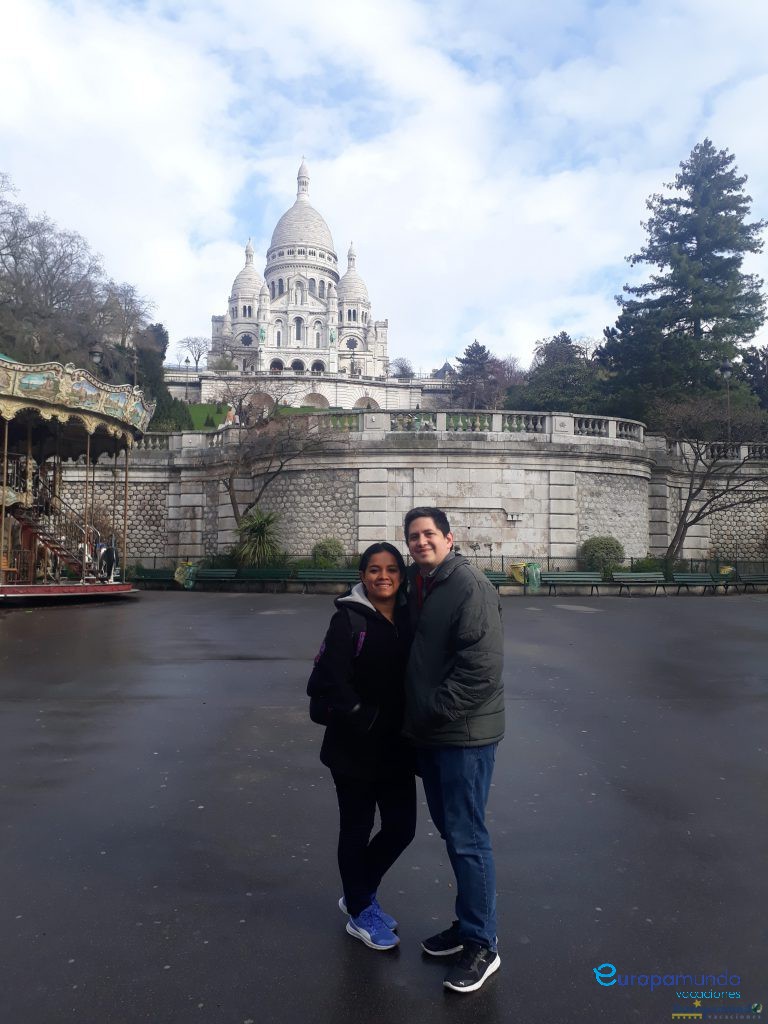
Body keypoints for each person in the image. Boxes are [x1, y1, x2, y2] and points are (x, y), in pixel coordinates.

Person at [403, 506, 504, 994]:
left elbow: (480, 670)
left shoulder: (469, 586)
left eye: (428, 535)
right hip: (435, 733)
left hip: (463, 733)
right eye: (414, 537)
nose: (421, 543)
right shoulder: (421, 582)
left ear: (449, 537)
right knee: (452, 831)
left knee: (467, 836)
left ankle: (483, 943)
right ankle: (469, 926)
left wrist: (429, 711)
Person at [307, 542, 415, 951]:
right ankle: (359, 909)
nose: (382, 576)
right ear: (362, 575)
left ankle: (358, 892)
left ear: (401, 576)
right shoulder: (348, 619)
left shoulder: (408, 616)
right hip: (353, 745)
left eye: (390, 569)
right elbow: (332, 681)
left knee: (402, 827)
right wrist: (364, 717)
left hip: (398, 746)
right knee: (356, 828)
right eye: (373, 569)